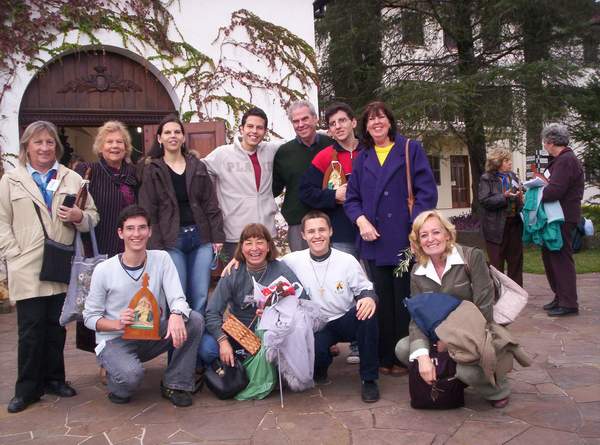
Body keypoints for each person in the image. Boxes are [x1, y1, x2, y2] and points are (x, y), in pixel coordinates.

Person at [0, 121, 99, 413]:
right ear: (26, 147)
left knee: (56, 327)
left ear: (56, 146)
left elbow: (92, 216)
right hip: (27, 265)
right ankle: (27, 389)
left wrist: (80, 216)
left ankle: (55, 379)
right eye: (38, 142)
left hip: (60, 262)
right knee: (30, 330)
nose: (44, 148)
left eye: (49, 142)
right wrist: (13, 253)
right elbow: (2, 222)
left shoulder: (71, 178)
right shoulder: (11, 181)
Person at [344, 101, 437, 376]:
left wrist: (416, 230)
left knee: (404, 298)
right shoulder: (362, 158)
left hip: (404, 240)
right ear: (365, 127)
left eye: (381, 117)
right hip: (373, 241)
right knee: (381, 299)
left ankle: (405, 356)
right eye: (371, 119)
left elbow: (426, 193)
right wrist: (361, 221)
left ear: (390, 121)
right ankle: (384, 356)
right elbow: (352, 199)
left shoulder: (410, 149)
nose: (376, 123)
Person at [83, 205, 203, 406]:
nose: (136, 234)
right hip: (116, 339)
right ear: (120, 233)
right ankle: (114, 372)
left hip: (151, 333)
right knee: (130, 379)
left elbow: (178, 298)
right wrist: (117, 323)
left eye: (141, 228)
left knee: (194, 320)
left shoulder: (162, 259)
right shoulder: (104, 270)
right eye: (130, 228)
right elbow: (89, 317)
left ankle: (175, 384)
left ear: (150, 231)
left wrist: (176, 314)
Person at [395, 210, 511, 408]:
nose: (431, 239)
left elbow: (484, 310)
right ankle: (450, 376)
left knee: (467, 372)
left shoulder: (471, 257)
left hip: (475, 333)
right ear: (418, 241)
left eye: (436, 232)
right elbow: (417, 317)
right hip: (437, 335)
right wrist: (423, 357)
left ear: (447, 234)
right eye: (424, 235)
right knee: (404, 348)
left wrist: (449, 341)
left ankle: (496, 388)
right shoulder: (417, 271)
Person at [282, 211, 380, 403]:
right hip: (317, 326)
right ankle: (321, 364)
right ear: (303, 235)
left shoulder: (347, 260)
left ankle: (369, 379)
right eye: (311, 231)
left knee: (368, 313)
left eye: (322, 230)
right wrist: (237, 259)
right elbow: (265, 262)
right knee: (316, 358)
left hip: (344, 319)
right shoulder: (292, 260)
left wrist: (369, 298)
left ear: (330, 231)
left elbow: (366, 288)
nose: (317, 235)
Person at [299, 102, 364, 365]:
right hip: (343, 231)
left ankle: (373, 341)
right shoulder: (326, 156)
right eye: (333, 123)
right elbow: (305, 192)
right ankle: (355, 343)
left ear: (353, 122)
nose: (338, 127)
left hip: (373, 230)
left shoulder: (370, 151)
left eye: (342, 121)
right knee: (348, 288)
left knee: (370, 287)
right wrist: (332, 195)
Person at [139, 114, 225, 314]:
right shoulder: (152, 169)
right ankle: (179, 333)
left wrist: (217, 236)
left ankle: (198, 332)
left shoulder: (197, 166)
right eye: (167, 132)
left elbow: (210, 203)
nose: (173, 136)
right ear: (159, 138)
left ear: (183, 137)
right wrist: (156, 246)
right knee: (178, 294)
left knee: (201, 294)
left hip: (201, 238)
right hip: (171, 241)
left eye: (177, 132)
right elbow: (148, 209)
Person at [201, 223, 306, 377]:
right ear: (242, 248)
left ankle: (265, 370)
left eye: (260, 242)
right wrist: (222, 341)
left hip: (273, 334)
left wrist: (276, 312)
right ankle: (233, 368)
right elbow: (212, 312)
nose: (254, 248)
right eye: (248, 243)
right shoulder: (233, 272)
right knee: (207, 348)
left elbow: (303, 301)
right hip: (239, 334)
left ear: (268, 246)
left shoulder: (281, 270)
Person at [73, 121, 139, 362]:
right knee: (98, 304)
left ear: (126, 147)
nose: (114, 146)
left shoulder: (133, 173)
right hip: (98, 247)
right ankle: (103, 356)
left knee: (125, 302)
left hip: (128, 248)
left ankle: (125, 352)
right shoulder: (87, 170)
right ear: (100, 146)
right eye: (109, 142)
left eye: (119, 142)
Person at [202, 108, 279, 262]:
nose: (254, 131)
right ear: (241, 128)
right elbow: (198, 171)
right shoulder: (222, 154)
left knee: (266, 275)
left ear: (265, 131)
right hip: (235, 234)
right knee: (237, 276)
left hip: (265, 232)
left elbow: (299, 139)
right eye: (250, 126)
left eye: (259, 127)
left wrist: (327, 133)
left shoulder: (271, 150)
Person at [273, 100, 334, 251]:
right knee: (301, 264)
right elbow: (273, 188)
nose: (300, 124)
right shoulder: (284, 153)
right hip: (298, 223)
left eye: (305, 119)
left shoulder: (332, 146)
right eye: (296, 121)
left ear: (315, 118)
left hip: (331, 219)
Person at [539, 123, 584, 317]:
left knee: (560, 258)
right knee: (550, 256)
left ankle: (568, 303)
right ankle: (560, 297)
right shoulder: (561, 160)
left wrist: (536, 192)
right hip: (556, 216)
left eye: (544, 141)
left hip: (562, 217)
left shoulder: (566, 160)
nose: (544, 145)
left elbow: (555, 190)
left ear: (550, 141)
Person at [478, 148, 524, 286]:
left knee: (516, 262)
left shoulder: (513, 176)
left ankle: (516, 293)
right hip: (495, 228)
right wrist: (504, 196)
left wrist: (521, 198)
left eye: (510, 160)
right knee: (497, 264)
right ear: (497, 162)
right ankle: (498, 293)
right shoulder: (487, 178)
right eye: (506, 160)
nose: (510, 163)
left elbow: (518, 198)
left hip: (514, 223)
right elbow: (484, 200)